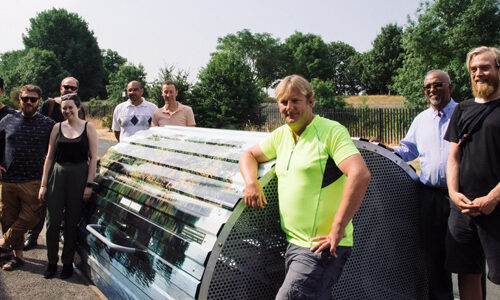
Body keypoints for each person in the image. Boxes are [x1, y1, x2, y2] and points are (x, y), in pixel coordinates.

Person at [239, 75, 370, 299]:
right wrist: (251, 182)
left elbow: (359, 174)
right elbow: (249, 154)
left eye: (295, 101)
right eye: (283, 102)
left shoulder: (330, 131)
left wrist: (337, 228)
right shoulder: (281, 136)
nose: (289, 108)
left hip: (320, 247)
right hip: (292, 243)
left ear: (310, 101)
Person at [371, 70, 456, 299]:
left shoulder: (462, 114)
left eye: (438, 85)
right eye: (427, 86)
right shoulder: (421, 119)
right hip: (430, 196)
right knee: (433, 255)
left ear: (451, 88)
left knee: (468, 258)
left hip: (459, 196)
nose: (432, 90)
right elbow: (408, 150)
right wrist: (385, 149)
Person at [445, 46, 500, 300]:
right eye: (474, 69)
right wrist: (454, 194)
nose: (479, 73)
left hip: (497, 208)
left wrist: (492, 199)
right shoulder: (463, 109)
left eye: (485, 67)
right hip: (463, 209)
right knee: (466, 274)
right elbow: (454, 156)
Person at [38, 93, 98, 279]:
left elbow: (93, 158)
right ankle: (51, 262)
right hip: (57, 174)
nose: (67, 111)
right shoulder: (56, 127)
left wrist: (89, 184)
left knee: (72, 223)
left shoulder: (89, 128)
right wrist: (43, 185)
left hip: (79, 175)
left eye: (70, 107)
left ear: (78, 107)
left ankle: (67, 263)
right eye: (64, 108)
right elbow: (49, 157)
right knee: (53, 222)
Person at [25, 76, 86, 251]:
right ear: (60, 88)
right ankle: (33, 235)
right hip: (46, 159)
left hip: (68, 161)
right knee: (41, 201)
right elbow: (36, 124)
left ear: (76, 91)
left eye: (72, 88)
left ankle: (61, 232)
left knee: (65, 202)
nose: (69, 90)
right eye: (66, 87)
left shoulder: (78, 109)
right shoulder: (49, 105)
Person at [0, 85, 55, 271]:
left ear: (39, 101)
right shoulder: (8, 120)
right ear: (19, 100)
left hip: (34, 180)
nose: (29, 102)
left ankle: (3, 243)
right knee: (7, 218)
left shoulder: (47, 124)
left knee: (30, 218)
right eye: (25, 99)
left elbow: (55, 151)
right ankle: (18, 257)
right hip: (8, 178)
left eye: (33, 99)